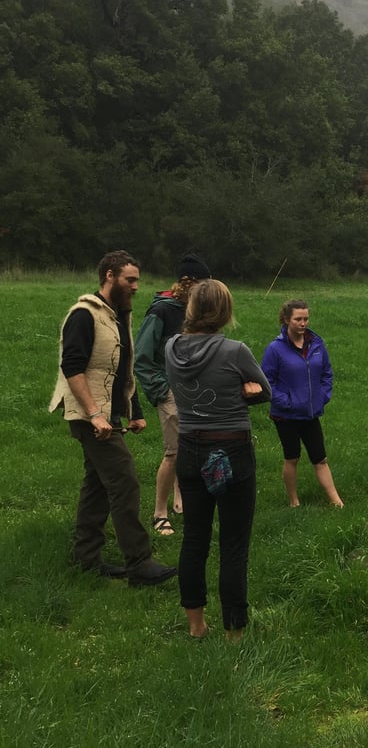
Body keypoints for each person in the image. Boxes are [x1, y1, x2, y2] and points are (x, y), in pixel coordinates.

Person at [49, 251, 178, 587]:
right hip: (88, 415)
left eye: (137, 280)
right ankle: (139, 562)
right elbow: (72, 367)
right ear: (109, 275)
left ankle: (86, 556)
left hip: (109, 414)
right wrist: (94, 414)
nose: (136, 286)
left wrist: (132, 411)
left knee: (97, 485)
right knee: (124, 481)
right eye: (130, 280)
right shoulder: (84, 314)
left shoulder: (119, 314)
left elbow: (121, 367)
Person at [165, 279, 271, 640]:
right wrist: (244, 391)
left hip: (190, 451)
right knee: (234, 543)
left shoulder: (171, 348)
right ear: (225, 312)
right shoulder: (235, 351)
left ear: (191, 310)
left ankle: (196, 626)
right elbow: (265, 392)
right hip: (231, 451)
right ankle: (234, 632)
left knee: (194, 539)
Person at [134, 253, 212, 536]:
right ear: (191, 284)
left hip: (195, 391)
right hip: (169, 392)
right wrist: (162, 391)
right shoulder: (161, 312)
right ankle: (159, 513)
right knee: (174, 452)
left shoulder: (198, 313)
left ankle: (181, 498)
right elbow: (141, 357)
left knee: (191, 449)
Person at [261, 299, 345, 507]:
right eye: (298, 319)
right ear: (287, 319)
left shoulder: (316, 344)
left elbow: (326, 373)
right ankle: (294, 501)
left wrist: (322, 396)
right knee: (292, 457)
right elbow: (266, 382)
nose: (303, 323)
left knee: (320, 458)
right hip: (286, 415)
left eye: (306, 319)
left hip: (311, 412)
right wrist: (287, 402)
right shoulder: (275, 349)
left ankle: (336, 502)